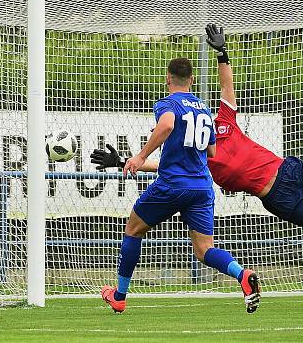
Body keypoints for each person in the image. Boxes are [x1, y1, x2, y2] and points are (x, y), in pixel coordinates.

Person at [94, 26, 303, 271]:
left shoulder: (218, 129)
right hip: (276, 195)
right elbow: (173, 160)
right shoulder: (206, 151)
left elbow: (226, 88)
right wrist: (127, 160)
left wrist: (223, 52)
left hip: (290, 169)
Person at [92, 57, 261, 314]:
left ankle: (119, 295)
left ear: (167, 78)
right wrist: (125, 161)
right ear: (192, 80)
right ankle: (242, 274)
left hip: (172, 186)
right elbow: (212, 151)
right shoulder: (203, 109)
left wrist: (140, 156)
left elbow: (168, 124)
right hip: (202, 189)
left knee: (133, 229)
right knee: (205, 250)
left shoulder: (168, 104)